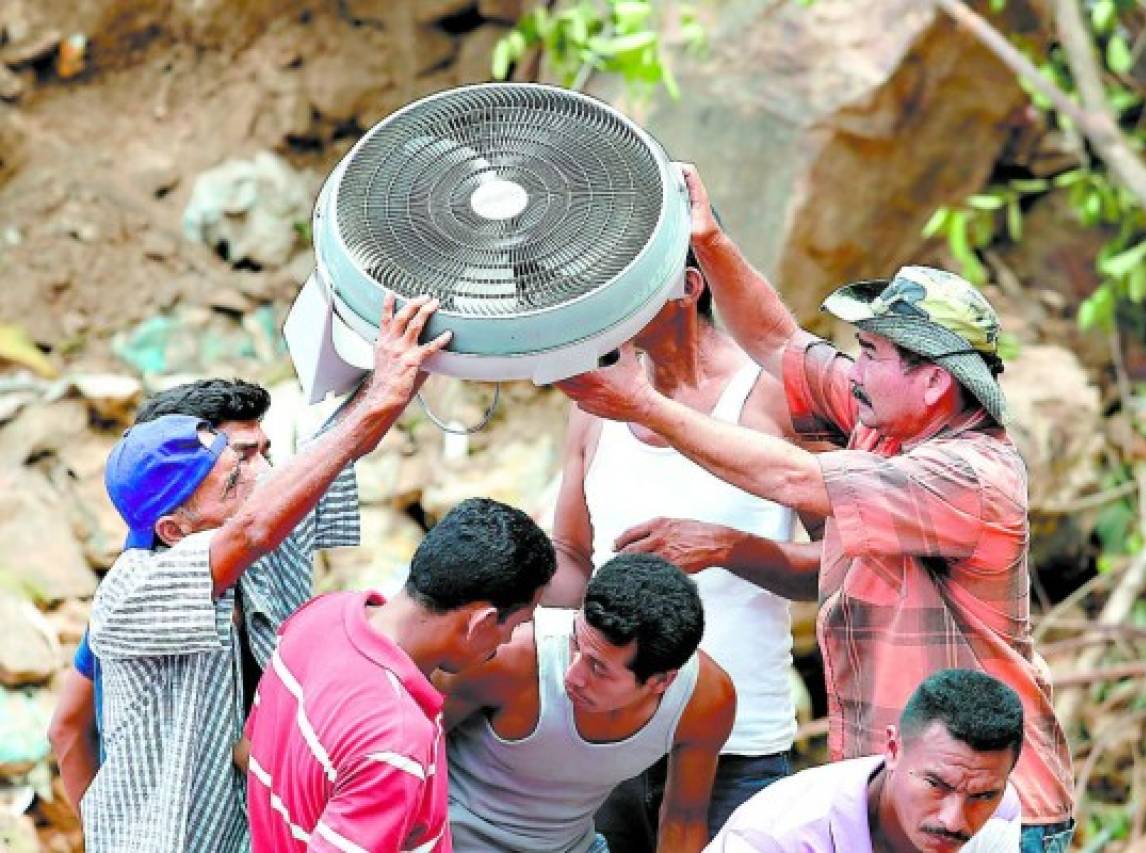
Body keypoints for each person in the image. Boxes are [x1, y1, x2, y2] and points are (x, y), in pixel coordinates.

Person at [556, 166, 1074, 851]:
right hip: (892, 796)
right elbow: (777, 340)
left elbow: (798, 480)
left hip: (987, 809)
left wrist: (643, 405)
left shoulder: (969, 473)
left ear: (931, 380)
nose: (853, 371)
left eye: (871, 353)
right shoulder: (886, 418)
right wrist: (708, 237)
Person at [81, 295, 450, 853]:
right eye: (237, 474)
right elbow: (252, 528)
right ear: (174, 531)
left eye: (264, 455)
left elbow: (339, 447)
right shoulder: (130, 593)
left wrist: (409, 363)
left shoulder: (272, 526)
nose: (270, 477)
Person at [549, 245, 824, 847]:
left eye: (627, 290)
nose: (607, 308)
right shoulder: (596, 403)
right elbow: (572, 559)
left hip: (740, 745)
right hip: (607, 737)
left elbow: (844, 567)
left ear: (689, 287)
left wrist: (726, 547)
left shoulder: (772, 398)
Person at [245, 497, 556, 853]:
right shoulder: (398, 738)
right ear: (482, 622)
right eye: (515, 626)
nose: (506, 642)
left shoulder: (321, 614)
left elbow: (255, 746)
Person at [49, 378, 285, 815]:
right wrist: (112, 834)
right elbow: (67, 727)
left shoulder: (247, 559)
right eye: (240, 462)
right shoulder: (144, 591)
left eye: (263, 452)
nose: (263, 475)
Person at [439, 553, 736, 853]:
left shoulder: (704, 700)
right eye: (575, 643)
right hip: (455, 839)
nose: (573, 674)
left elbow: (683, 821)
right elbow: (407, 753)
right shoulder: (508, 657)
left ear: (661, 682)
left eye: (597, 668)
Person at [708, 669, 1024, 852]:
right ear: (892, 749)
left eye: (983, 795)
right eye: (936, 784)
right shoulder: (775, 839)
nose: (954, 821)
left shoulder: (1002, 812)